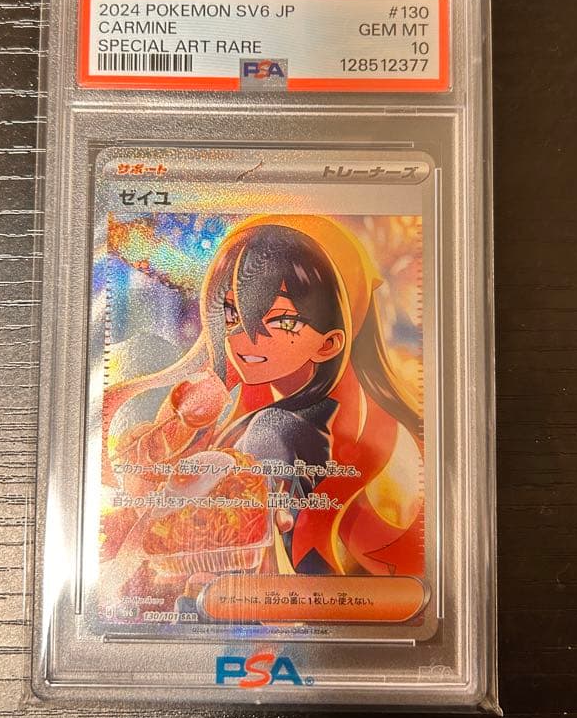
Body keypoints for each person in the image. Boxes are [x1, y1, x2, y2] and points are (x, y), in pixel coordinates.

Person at [104, 215, 424, 577]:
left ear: (330, 342)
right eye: (231, 314)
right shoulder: (240, 401)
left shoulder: (283, 428)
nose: (247, 338)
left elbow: (258, 543)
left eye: (283, 321)